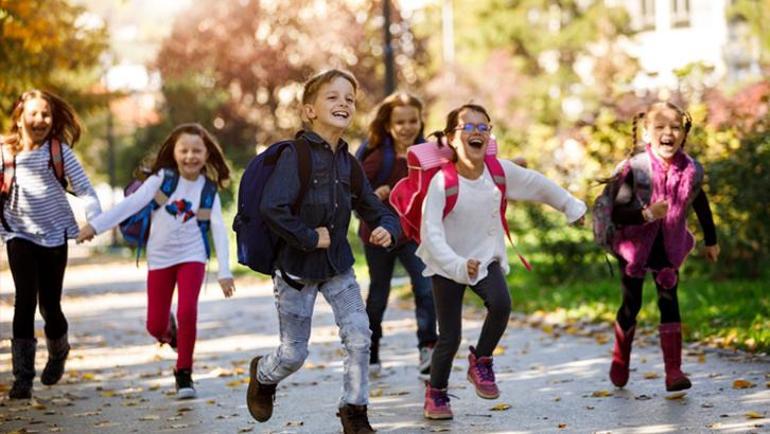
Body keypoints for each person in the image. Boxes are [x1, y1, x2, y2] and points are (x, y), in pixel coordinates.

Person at [245, 69, 400, 434]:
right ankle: (264, 375)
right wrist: (309, 237)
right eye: (332, 97)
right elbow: (272, 207)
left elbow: (373, 207)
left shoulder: (349, 162)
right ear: (309, 110)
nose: (343, 103)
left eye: (349, 98)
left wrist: (386, 228)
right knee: (294, 354)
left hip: (338, 268)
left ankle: (354, 412)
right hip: (296, 271)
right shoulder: (294, 156)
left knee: (361, 335)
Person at [416, 104, 586, 420]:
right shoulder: (442, 183)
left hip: (485, 258)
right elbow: (431, 233)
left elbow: (538, 184)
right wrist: (455, 264)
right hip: (446, 264)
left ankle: (481, 360)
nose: (477, 132)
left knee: (502, 303)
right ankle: (436, 393)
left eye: (484, 126)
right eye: (468, 127)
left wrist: (571, 207)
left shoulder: (499, 172)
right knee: (449, 337)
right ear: (452, 138)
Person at [77, 123, 235, 399]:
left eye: (197, 151)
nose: (190, 156)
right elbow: (129, 205)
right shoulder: (162, 179)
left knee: (188, 312)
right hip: (160, 258)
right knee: (155, 326)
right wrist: (96, 226)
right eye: (184, 150)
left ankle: (184, 372)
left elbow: (219, 229)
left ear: (207, 154)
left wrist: (224, 271)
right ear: (173, 152)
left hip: (192, 256)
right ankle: (173, 337)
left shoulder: (207, 189)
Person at [607, 101, 719, 392]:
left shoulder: (689, 169)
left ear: (683, 133)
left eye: (675, 127)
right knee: (632, 304)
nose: (668, 132)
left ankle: (674, 371)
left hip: (668, 245)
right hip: (634, 245)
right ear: (647, 134)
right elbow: (617, 213)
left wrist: (711, 240)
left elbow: (700, 202)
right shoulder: (638, 169)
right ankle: (620, 358)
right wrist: (645, 214)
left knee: (669, 300)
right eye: (660, 127)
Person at [1, 90, 102, 399]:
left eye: (46, 114)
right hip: (18, 233)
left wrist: (91, 221)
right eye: (33, 113)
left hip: (55, 235)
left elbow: (86, 190)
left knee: (50, 305)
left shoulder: (58, 152)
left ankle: (58, 352)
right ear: (19, 118)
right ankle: (23, 378)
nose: (40, 120)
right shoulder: (5, 154)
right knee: (24, 301)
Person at [357, 92, 437, 377]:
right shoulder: (379, 155)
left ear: (420, 121)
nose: (406, 127)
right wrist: (374, 194)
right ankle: (372, 349)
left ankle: (428, 347)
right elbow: (356, 189)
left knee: (426, 288)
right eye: (399, 121)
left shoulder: (428, 152)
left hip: (413, 234)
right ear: (388, 124)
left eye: (412, 120)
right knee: (379, 294)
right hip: (378, 234)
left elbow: (454, 171)